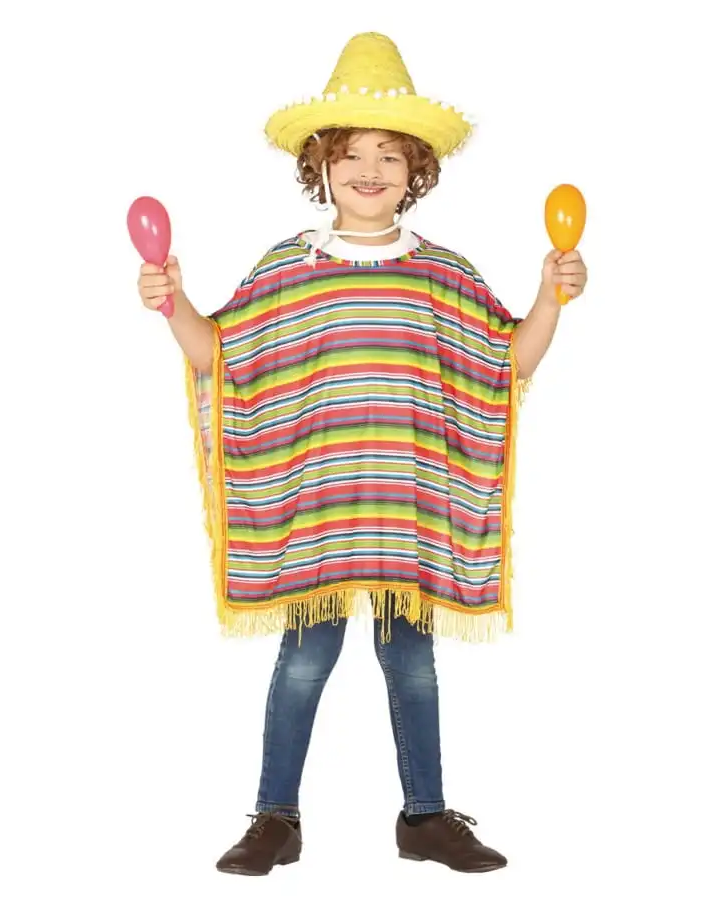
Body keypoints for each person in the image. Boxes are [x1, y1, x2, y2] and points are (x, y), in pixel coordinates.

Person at [136, 32, 587, 876]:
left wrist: (550, 297)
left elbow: (507, 363)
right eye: (350, 154)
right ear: (321, 166)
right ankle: (275, 818)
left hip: (405, 513)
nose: (370, 170)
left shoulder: (442, 275)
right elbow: (219, 356)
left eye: (389, 154)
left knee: (412, 663)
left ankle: (425, 817)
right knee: (306, 660)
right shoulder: (288, 269)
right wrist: (173, 300)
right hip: (320, 514)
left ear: (417, 169)